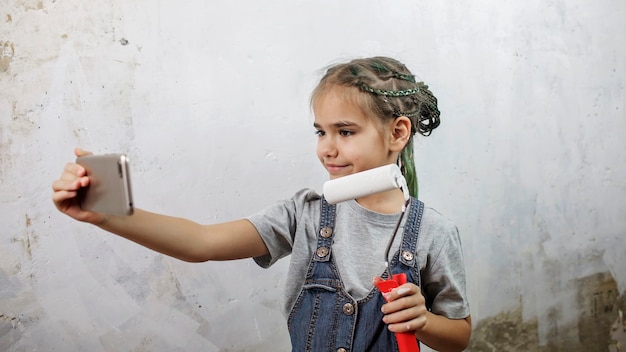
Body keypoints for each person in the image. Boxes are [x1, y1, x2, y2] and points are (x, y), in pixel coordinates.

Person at [52, 56, 471, 351]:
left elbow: (459, 337)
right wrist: (105, 216)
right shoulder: (305, 213)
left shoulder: (434, 232)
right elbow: (201, 243)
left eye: (345, 131)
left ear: (398, 133)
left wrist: (424, 322)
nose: (327, 148)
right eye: (320, 132)